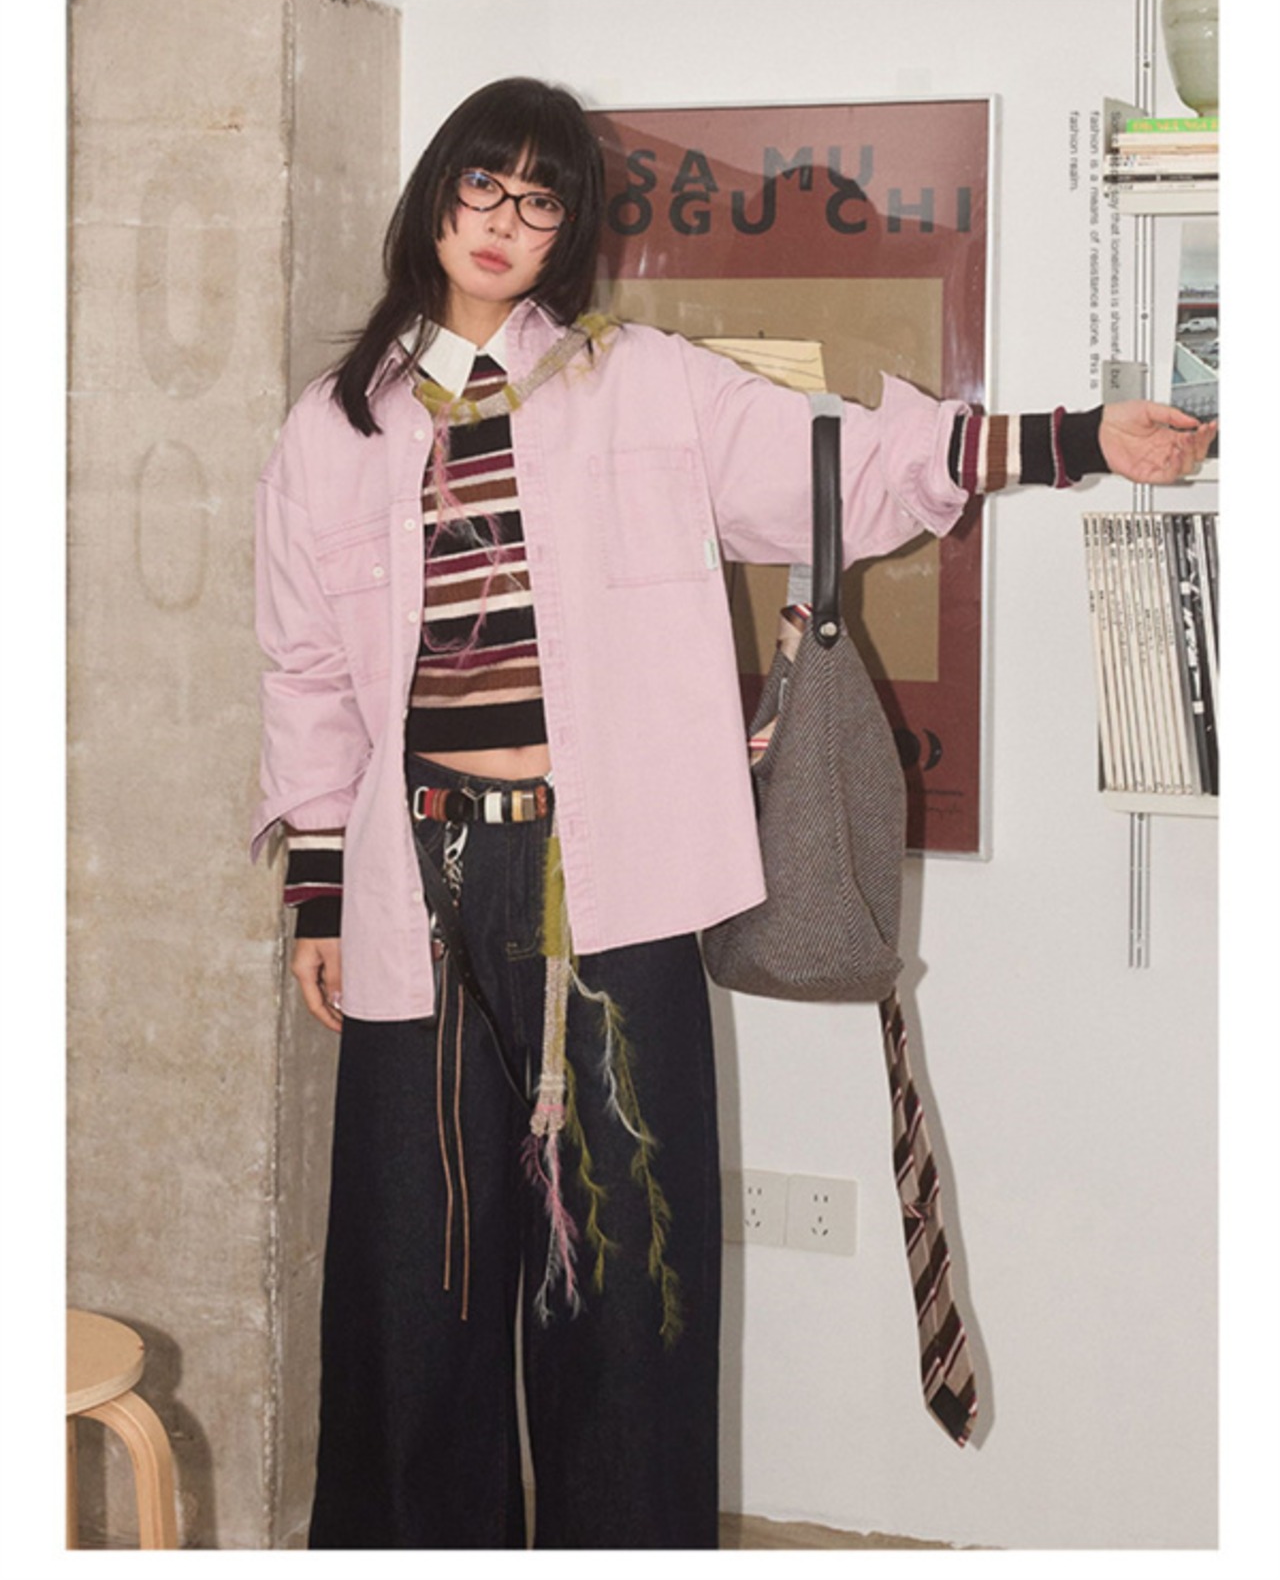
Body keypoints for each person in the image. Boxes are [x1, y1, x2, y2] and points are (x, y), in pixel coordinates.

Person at [252, 76, 1214, 1550]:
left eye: (541, 200)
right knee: (412, 1289)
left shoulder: (638, 385)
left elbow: (843, 462)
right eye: (482, 186)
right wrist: (318, 894)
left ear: (568, 231)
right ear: (433, 198)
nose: (505, 222)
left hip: (610, 886)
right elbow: (308, 670)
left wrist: (1069, 438)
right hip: (416, 894)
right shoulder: (334, 431)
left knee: (630, 1294)